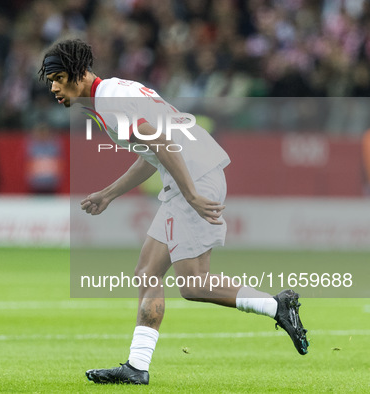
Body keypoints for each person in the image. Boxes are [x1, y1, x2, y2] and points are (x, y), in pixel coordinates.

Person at [39, 39, 309, 385]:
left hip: (193, 177)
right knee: (147, 271)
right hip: (188, 176)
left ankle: (276, 306)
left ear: (79, 72)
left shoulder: (109, 101)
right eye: (50, 81)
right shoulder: (109, 94)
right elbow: (152, 153)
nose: (54, 87)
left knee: (193, 284)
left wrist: (193, 194)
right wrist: (109, 193)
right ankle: (136, 366)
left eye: (59, 77)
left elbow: (164, 144)